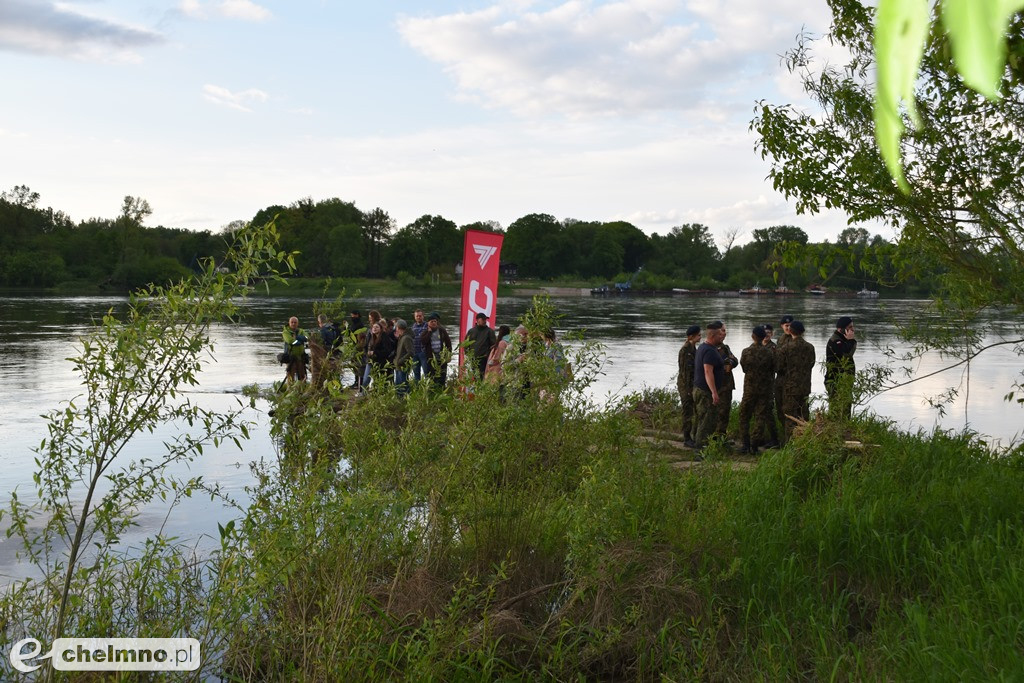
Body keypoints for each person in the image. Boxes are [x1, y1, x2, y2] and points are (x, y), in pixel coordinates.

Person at [737, 325, 778, 453]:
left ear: (753, 336)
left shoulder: (746, 351)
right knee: (760, 417)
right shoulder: (770, 352)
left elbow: (744, 368)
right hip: (765, 389)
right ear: (762, 337)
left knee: (744, 415)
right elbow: (774, 368)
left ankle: (745, 444)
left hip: (749, 389)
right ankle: (754, 446)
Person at [776, 319, 815, 442]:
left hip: (790, 388)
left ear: (791, 331)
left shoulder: (786, 348)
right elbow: (811, 364)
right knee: (804, 415)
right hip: (805, 386)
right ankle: (805, 442)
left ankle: (790, 445)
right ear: (802, 332)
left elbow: (779, 367)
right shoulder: (810, 347)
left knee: (790, 417)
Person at [692, 321, 727, 452]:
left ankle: (698, 445)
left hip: (700, 389)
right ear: (713, 335)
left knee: (702, 419)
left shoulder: (703, 347)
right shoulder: (709, 351)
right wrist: (714, 392)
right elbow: (708, 371)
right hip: (705, 391)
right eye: (721, 333)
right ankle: (700, 450)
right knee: (707, 422)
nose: (723, 335)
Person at [825, 315, 857, 419]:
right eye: (850, 327)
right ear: (840, 329)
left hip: (844, 381)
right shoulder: (836, 341)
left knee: (845, 408)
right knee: (837, 409)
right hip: (836, 381)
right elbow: (846, 354)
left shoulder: (843, 339)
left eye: (853, 327)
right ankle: (834, 430)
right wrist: (851, 340)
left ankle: (845, 430)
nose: (852, 329)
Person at [676, 324, 702, 447]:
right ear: (691, 336)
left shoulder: (693, 348)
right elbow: (685, 371)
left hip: (692, 384)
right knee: (687, 411)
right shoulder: (686, 350)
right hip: (686, 385)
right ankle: (687, 438)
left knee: (694, 411)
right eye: (698, 335)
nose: (700, 337)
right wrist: (687, 390)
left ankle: (693, 436)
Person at [715, 326, 739, 437]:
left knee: (725, 412)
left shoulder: (725, 347)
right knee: (718, 412)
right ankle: (716, 437)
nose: (725, 333)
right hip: (718, 385)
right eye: (722, 331)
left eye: (725, 331)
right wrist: (727, 363)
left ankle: (722, 436)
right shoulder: (711, 347)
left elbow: (735, 360)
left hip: (727, 385)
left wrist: (730, 363)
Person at [419, 311, 452, 388]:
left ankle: (442, 390)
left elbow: (448, 343)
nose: (433, 323)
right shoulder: (425, 332)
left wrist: (449, 355)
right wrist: (429, 333)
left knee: (442, 376)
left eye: (435, 321)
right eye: (431, 321)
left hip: (442, 358)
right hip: (431, 359)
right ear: (428, 323)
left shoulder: (442, 330)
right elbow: (423, 342)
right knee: (432, 377)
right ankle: (433, 393)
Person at [774, 315, 794, 429]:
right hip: (780, 378)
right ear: (782, 326)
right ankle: (784, 434)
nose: (788, 328)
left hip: (791, 379)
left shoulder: (796, 338)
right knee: (780, 407)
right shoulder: (780, 339)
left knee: (790, 409)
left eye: (790, 325)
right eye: (786, 326)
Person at [464, 312, 497, 379]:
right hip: (473, 359)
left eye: (485, 320)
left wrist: (488, 355)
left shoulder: (489, 331)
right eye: (483, 319)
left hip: (485, 359)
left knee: (482, 376)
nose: (485, 321)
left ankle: (482, 388)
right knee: (476, 376)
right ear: (478, 320)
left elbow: (494, 345)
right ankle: (477, 388)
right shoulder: (471, 331)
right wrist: (467, 354)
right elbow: (466, 344)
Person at [281, 316, 308, 384]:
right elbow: (290, 341)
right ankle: (290, 390)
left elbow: (307, 337)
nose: (293, 324)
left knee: (302, 376)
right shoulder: (286, 332)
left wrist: (297, 337)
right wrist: (299, 342)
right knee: (291, 376)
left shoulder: (301, 331)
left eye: (295, 322)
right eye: (292, 322)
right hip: (291, 357)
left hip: (300, 357)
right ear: (289, 323)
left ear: (297, 323)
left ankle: (301, 389)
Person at [392, 319, 414, 395]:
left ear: (398, 327)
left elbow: (411, 352)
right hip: (398, 366)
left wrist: (400, 361)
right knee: (398, 387)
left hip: (402, 366)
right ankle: (399, 403)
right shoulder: (402, 337)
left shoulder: (406, 338)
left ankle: (404, 402)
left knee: (403, 387)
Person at [347, 310, 366, 389]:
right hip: (353, 345)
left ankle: (359, 382)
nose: (352, 317)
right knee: (354, 364)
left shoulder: (360, 324)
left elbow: (362, 335)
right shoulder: (354, 324)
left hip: (358, 346)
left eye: (353, 315)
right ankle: (356, 381)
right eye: (351, 315)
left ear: (357, 315)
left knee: (358, 364)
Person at [411, 309, 429, 382]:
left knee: (426, 372)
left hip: (423, 352)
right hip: (415, 352)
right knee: (416, 373)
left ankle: (428, 389)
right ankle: (417, 389)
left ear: (423, 316)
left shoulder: (427, 325)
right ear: (415, 317)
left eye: (420, 316)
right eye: (417, 316)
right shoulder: (413, 326)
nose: (418, 317)